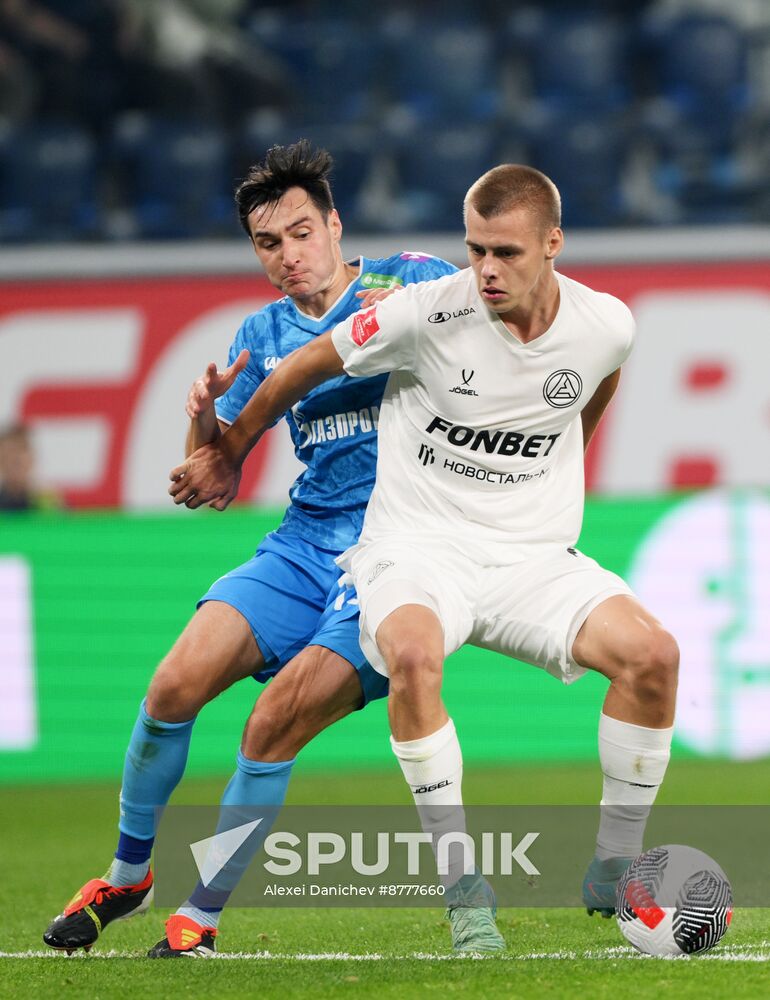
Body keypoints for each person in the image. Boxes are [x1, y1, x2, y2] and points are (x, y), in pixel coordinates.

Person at [171, 163, 680, 929]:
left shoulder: (606, 323)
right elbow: (311, 363)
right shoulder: (424, 312)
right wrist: (234, 445)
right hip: (416, 548)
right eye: (474, 249)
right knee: (410, 655)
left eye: (506, 253)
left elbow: (600, 374)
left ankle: (613, 867)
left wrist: (562, 459)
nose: (485, 270)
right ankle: (464, 893)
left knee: (655, 657)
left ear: (553, 244)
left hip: (529, 558)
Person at [43, 140, 457, 958]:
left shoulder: (413, 281)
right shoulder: (260, 331)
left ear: (335, 225)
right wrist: (202, 425)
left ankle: (198, 918)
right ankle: (126, 878)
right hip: (304, 544)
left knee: (272, 724)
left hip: (398, 555)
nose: (289, 256)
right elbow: (220, 475)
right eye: (269, 244)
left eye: (302, 233)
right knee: (172, 686)